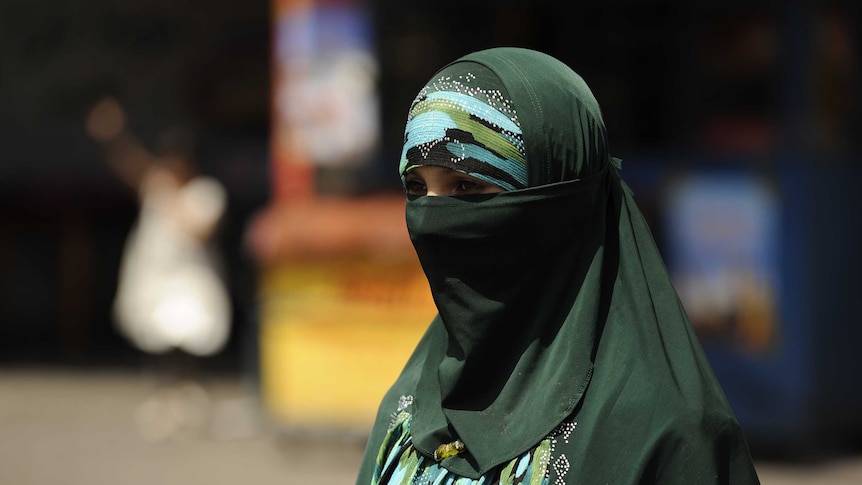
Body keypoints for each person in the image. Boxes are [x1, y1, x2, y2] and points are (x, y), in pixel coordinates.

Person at [356, 48, 760, 484]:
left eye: (467, 186)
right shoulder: (410, 408)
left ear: (560, 202)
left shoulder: (665, 435)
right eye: (416, 188)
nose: (433, 220)